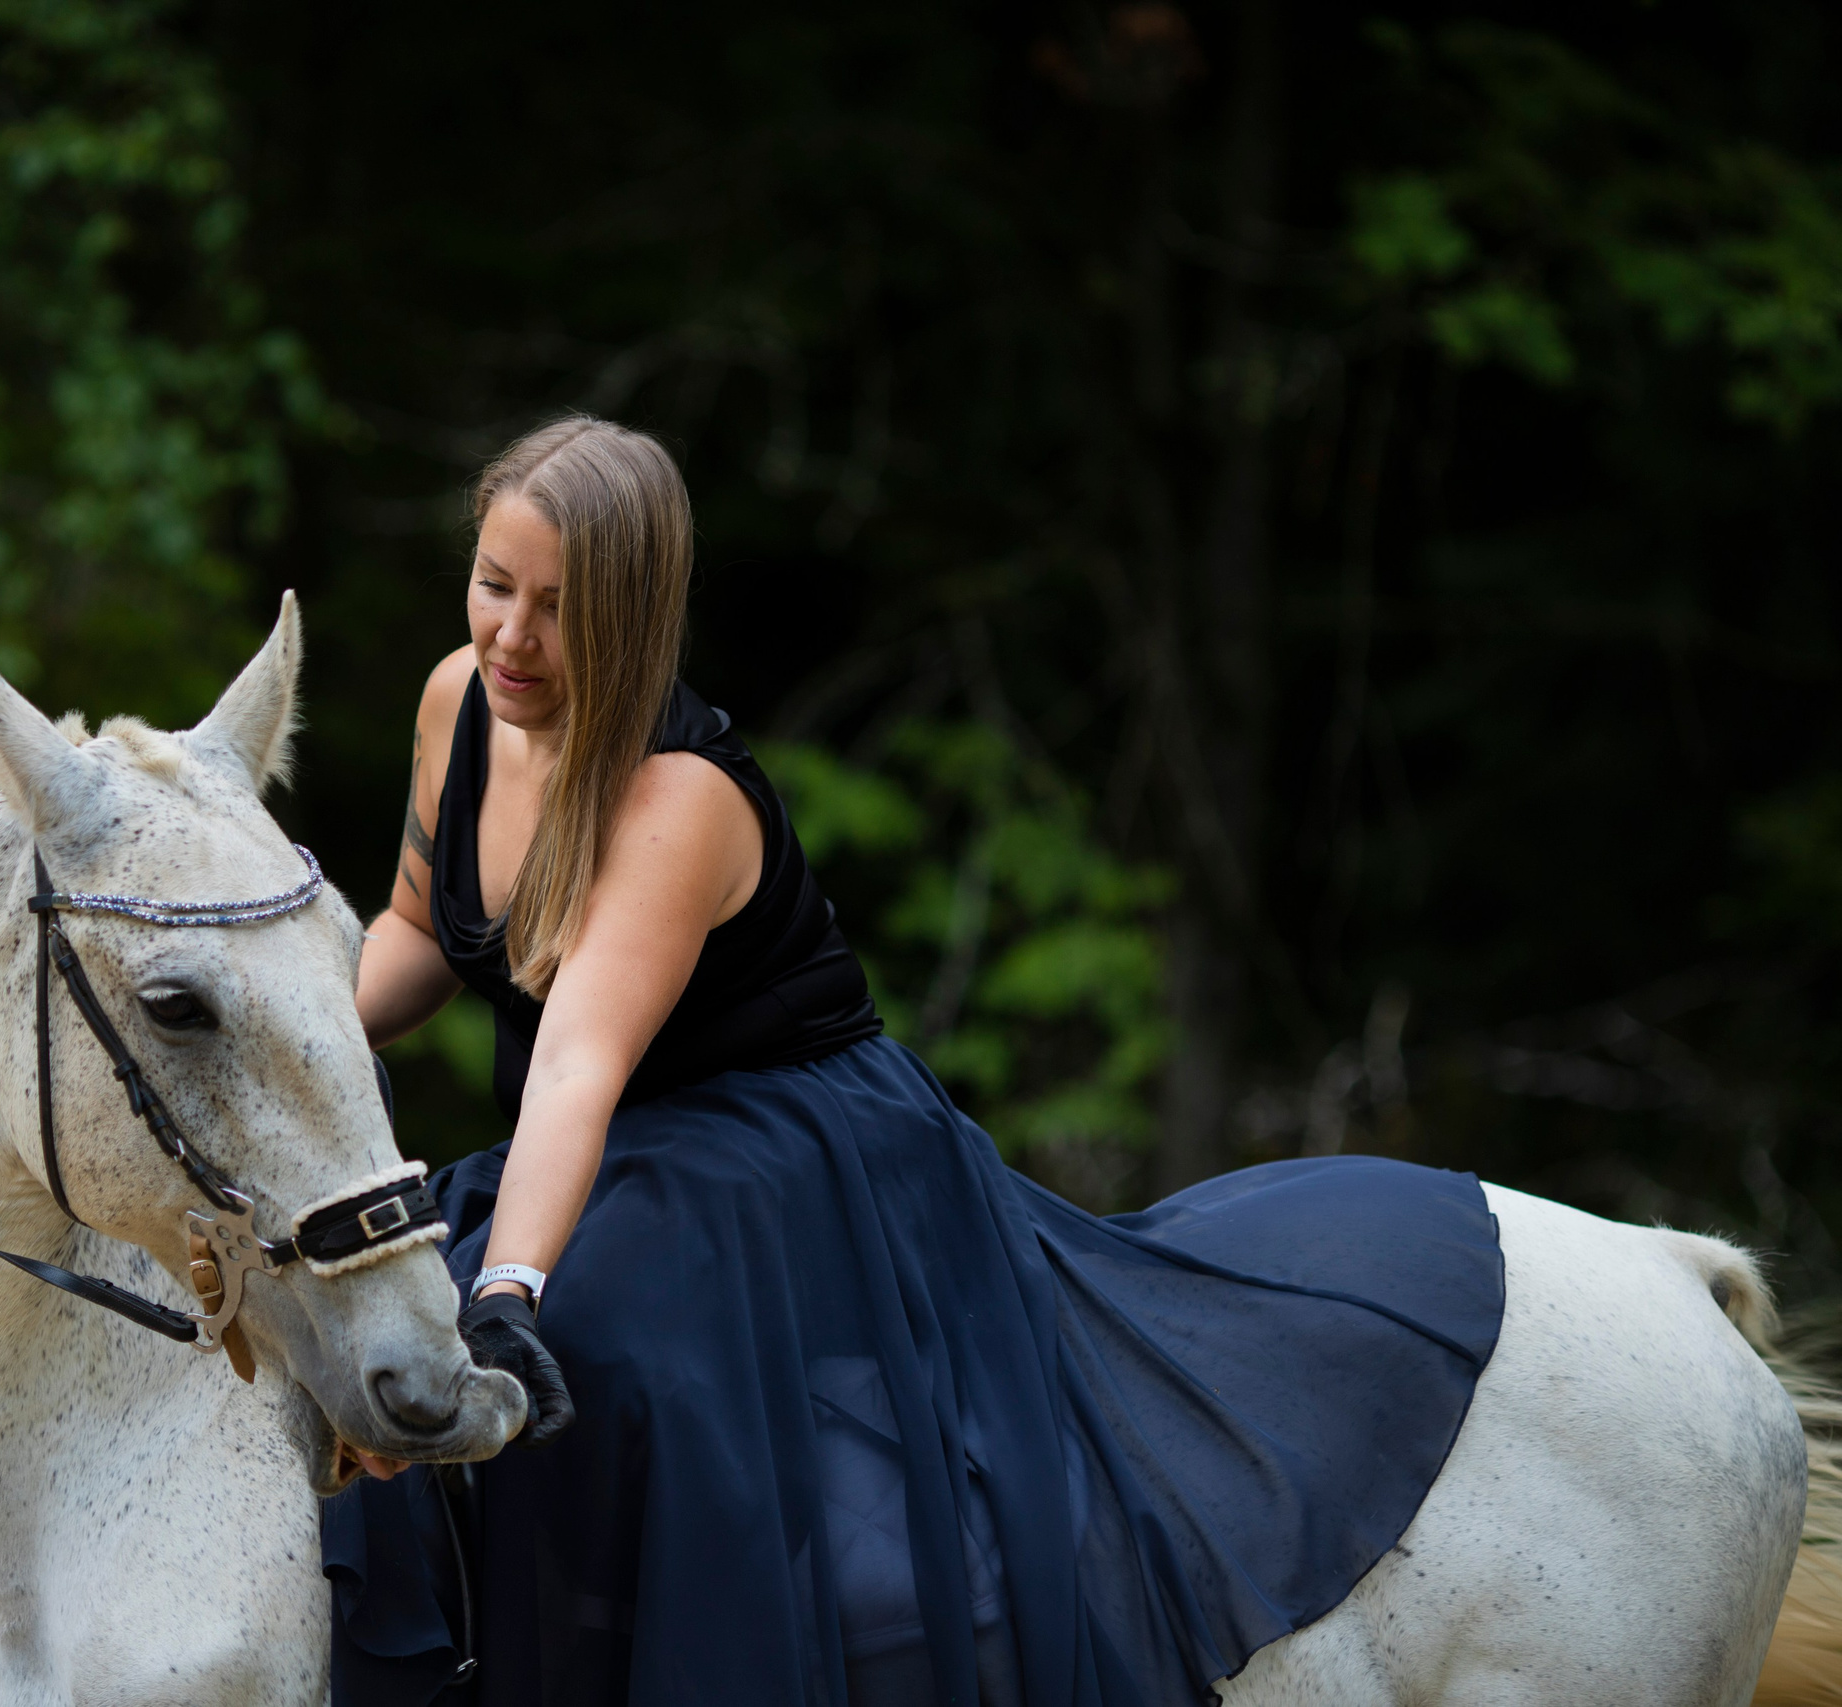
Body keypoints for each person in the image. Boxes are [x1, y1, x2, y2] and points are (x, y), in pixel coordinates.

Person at [328, 416, 1502, 1707]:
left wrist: (513, 1289)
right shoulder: (459, 702)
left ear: (635, 615)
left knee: (589, 1337)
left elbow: (574, 1067)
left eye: (558, 608)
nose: (512, 635)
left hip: (777, 1145)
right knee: (376, 1299)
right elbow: (417, 932)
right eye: (495, 584)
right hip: (606, 1147)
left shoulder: (676, 797)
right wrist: (272, 1041)